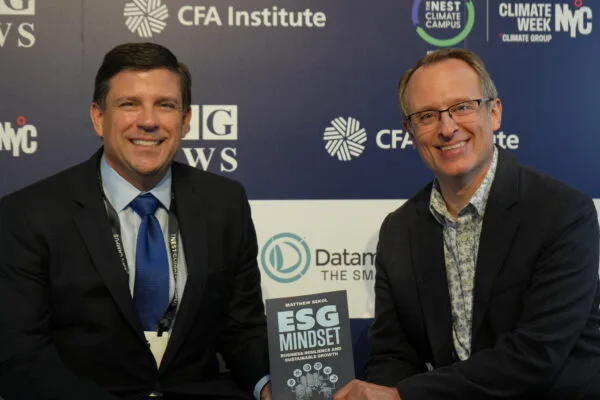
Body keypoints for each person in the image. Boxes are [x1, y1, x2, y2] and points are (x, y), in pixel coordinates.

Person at [0, 42, 271, 400]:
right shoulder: (28, 214)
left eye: (166, 105)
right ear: (99, 117)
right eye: (129, 104)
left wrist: (269, 384)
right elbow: (20, 355)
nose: (148, 121)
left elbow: (243, 329)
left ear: (185, 120)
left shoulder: (224, 202)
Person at [334, 48, 600, 399]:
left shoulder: (563, 212)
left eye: (462, 107)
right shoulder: (399, 231)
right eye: (427, 116)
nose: (447, 128)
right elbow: (394, 354)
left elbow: (537, 356)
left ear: (494, 113)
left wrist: (403, 396)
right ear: (410, 131)